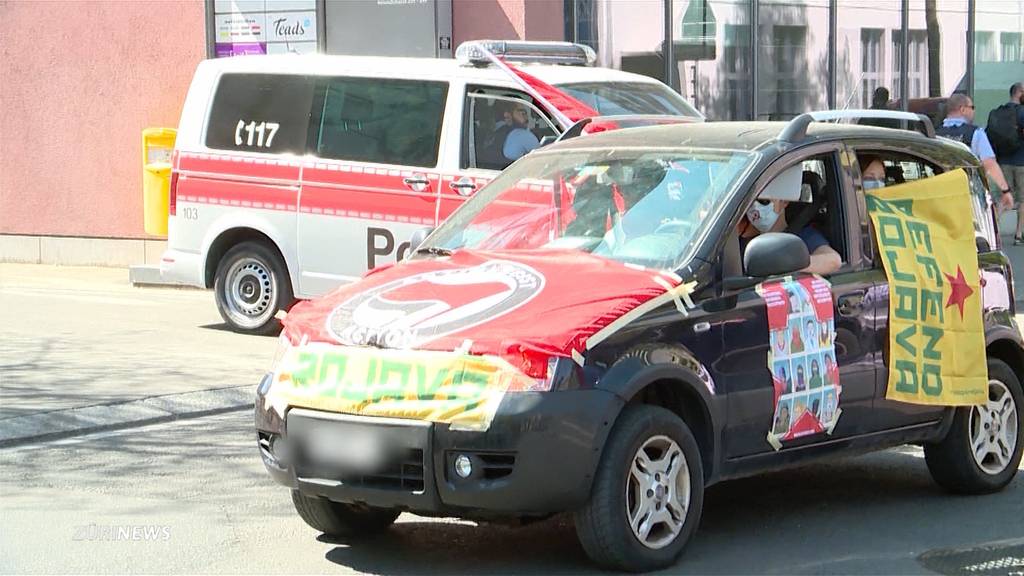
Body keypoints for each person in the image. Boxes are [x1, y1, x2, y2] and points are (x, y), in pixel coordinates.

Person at [935, 93, 1014, 215]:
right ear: (963, 109)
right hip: (968, 195)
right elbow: (989, 164)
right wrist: (1005, 190)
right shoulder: (975, 133)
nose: (973, 111)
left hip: (940, 195)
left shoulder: (935, 134)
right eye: (972, 108)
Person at [739, 193, 842, 276]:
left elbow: (833, 260)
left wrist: (786, 263)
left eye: (764, 201)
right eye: (751, 202)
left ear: (784, 202)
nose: (755, 208)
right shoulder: (738, 236)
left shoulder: (803, 235)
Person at [988, 83, 1024, 244]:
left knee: (1004, 197)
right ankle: (1018, 234)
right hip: (1021, 161)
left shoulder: (999, 112)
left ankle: (993, 232)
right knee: (1023, 199)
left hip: (1003, 161)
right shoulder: (1022, 112)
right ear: (1019, 93)